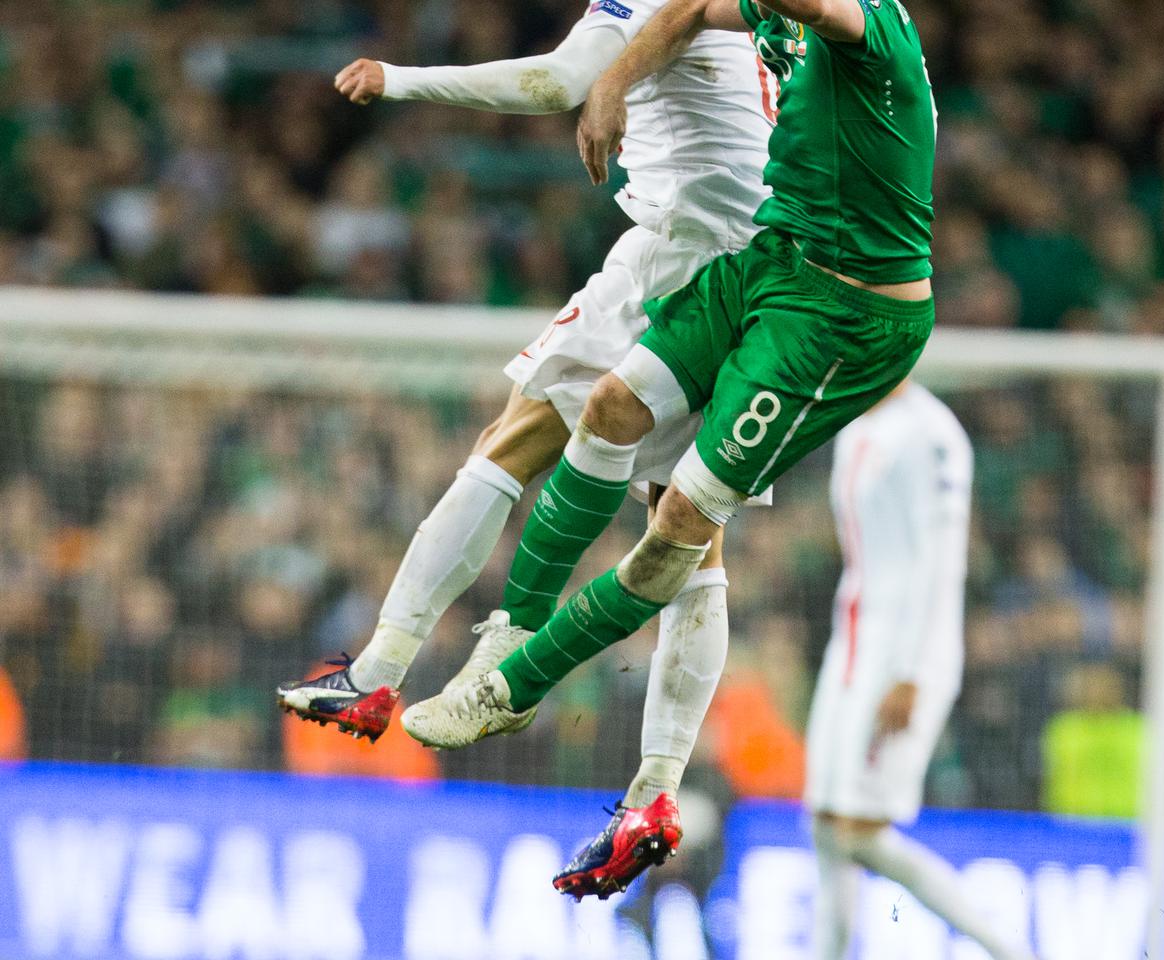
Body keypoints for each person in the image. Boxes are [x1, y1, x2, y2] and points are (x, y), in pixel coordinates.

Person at [405, 0, 939, 898]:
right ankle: (512, 635)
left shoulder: (866, 19)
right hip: (773, 261)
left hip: (842, 314)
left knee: (683, 526)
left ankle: (515, 690)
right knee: (610, 407)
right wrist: (609, 85)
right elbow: (690, 9)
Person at [275, 0, 775, 870]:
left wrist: (403, 79)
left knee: (511, 443)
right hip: (767, 278)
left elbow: (557, 81)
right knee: (694, 535)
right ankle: (655, 794)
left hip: (678, 263)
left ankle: (379, 672)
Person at [807, 383, 1032, 960]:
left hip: (905, 655)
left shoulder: (933, 433)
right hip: (853, 643)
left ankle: (1005, 947)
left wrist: (910, 671)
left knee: (857, 831)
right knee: (826, 822)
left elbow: (941, 559)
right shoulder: (854, 419)